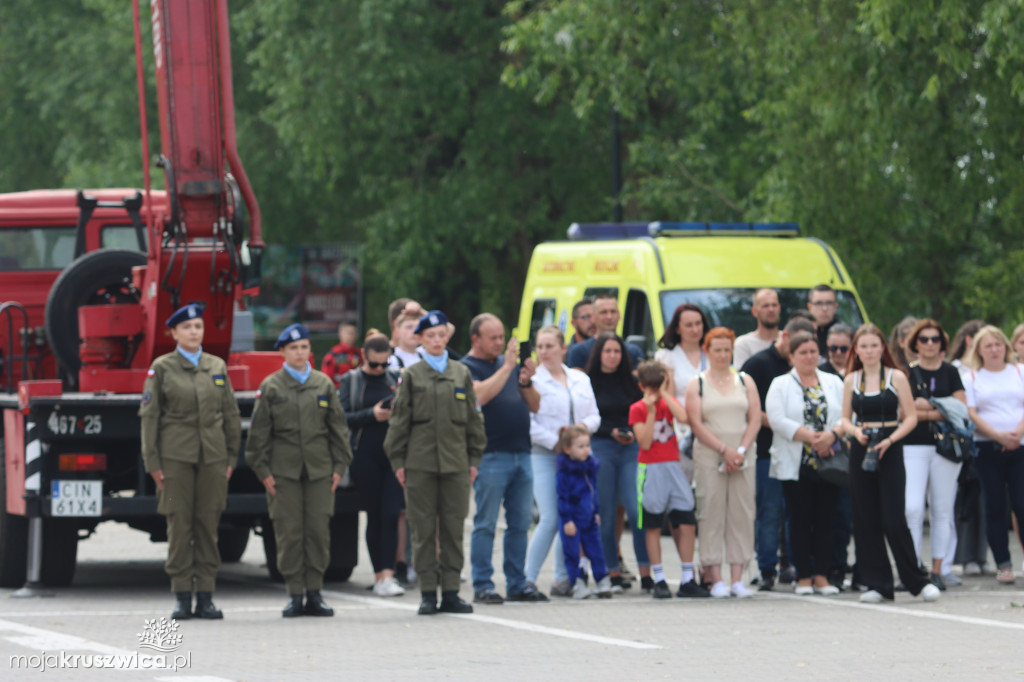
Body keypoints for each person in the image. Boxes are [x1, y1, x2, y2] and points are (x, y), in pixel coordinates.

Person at [140, 303, 241, 620]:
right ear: (173, 332)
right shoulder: (162, 368)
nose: (194, 332)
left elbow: (230, 415)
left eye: (198, 326)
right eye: (187, 327)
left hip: (212, 459)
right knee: (178, 524)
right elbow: (150, 417)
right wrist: (153, 463)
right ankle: (183, 595)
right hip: (173, 463)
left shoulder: (216, 366)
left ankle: (206, 596)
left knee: (208, 524)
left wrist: (230, 457)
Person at [384, 310, 487, 615]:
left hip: (456, 464)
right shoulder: (412, 375)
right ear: (420, 340)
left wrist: (474, 459)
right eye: (431, 336)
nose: (438, 340)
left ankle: (452, 591)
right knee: (424, 529)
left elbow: (473, 420)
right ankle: (429, 592)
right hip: (420, 465)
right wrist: (399, 462)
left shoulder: (461, 373)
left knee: (454, 529)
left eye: (442, 335)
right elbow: (399, 422)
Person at [246, 323, 352, 617]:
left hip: (319, 471)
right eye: (293, 348)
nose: (299, 352)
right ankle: (295, 593)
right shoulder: (272, 386)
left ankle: (315, 593)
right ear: (282, 351)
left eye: (304, 347)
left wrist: (339, 467)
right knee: (290, 533)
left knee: (318, 532)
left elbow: (338, 430)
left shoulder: (323, 384)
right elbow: (258, 436)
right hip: (284, 473)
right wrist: (263, 470)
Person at [840, 323, 939, 603]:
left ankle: (917, 581)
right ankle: (879, 584)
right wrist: (856, 432)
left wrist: (891, 440)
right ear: (856, 351)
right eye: (864, 346)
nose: (869, 351)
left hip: (890, 447)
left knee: (894, 517)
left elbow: (911, 416)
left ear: (883, 347)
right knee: (865, 517)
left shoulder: (897, 377)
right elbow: (845, 419)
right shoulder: (852, 380)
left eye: (874, 345)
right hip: (862, 448)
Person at [461, 314, 547, 604]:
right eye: (493, 338)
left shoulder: (506, 366)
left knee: (520, 523)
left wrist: (525, 381)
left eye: (502, 337)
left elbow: (535, 406)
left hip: (522, 452)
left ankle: (517, 582)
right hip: (490, 454)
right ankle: (483, 583)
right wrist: (508, 366)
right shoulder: (465, 367)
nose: (499, 343)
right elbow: (479, 397)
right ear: (476, 339)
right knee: (485, 522)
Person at [765, 331, 845, 596]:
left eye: (813, 352)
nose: (810, 357)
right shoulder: (780, 384)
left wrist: (830, 437)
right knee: (799, 519)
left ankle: (822, 575)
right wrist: (812, 438)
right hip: (796, 460)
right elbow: (776, 419)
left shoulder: (833, 382)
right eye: (803, 352)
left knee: (826, 519)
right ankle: (804, 575)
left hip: (829, 458)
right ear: (792, 356)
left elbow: (846, 415)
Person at [526, 325, 601, 596]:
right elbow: (530, 423)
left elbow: (595, 416)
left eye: (549, 346)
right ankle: (528, 578)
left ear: (563, 348)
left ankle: (563, 578)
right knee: (552, 516)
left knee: (575, 517)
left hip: (577, 459)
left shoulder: (579, 380)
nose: (544, 352)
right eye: (540, 346)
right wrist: (557, 442)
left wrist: (579, 431)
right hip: (546, 455)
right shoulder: (532, 381)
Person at [686, 327, 761, 599]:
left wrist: (739, 450)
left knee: (742, 513)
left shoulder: (744, 380)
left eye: (726, 349)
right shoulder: (698, 383)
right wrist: (723, 450)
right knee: (711, 513)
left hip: (743, 455)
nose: (722, 355)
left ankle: (739, 577)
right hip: (710, 455)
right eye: (716, 349)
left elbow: (754, 418)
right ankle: (714, 576)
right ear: (707, 351)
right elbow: (695, 421)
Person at [741, 316, 815, 590]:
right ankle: (766, 568)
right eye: (798, 347)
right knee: (770, 511)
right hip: (766, 450)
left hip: (800, 451)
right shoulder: (758, 364)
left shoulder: (810, 369)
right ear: (785, 337)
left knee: (795, 512)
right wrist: (785, 424)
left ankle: (795, 565)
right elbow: (750, 407)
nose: (805, 354)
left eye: (809, 348)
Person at [630, 360, 710, 599]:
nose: (655, 391)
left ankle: (687, 578)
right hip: (650, 469)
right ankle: (660, 578)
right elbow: (644, 442)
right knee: (653, 524)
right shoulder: (638, 408)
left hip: (673, 467)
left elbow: (684, 417)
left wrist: (665, 393)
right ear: (642, 385)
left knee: (686, 518)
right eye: (651, 386)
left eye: (659, 385)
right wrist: (652, 410)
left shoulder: (668, 402)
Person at [339, 333, 405, 597]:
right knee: (374, 516)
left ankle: (388, 576)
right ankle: (378, 574)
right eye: (374, 364)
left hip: (392, 455)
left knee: (391, 514)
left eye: (384, 364)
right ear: (364, 357)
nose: (379, 369)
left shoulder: (394, 379)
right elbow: (342, 417)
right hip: (363, 455)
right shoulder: (351, 380)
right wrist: (372, 415)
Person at [901, 320, 965, 590]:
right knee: (912, 508)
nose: (929, 344)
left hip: (946, 449)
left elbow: (961, 409)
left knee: (942, 509)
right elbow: (903, 412)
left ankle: (938, 569)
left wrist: (925, 409)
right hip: (913, 445)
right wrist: (940, 409)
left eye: (935, 339)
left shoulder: (951, 372)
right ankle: (914, 568)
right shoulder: (905, 373)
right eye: (924, 339)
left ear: (942, 343)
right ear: (915, 343)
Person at [584, 332, 650, 592]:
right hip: (602, 444)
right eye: (607, 351)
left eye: (617, 352)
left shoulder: (632, 382)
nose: (612, 356)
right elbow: (588, 417)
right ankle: (611, 571)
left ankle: (647, 571)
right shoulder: (588, 382)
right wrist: (610, 431)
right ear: (599, 354)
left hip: (630, 446)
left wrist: (632, 430)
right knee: (607, 513)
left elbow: (641, 410)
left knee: (636, 509)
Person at [962, 325, 1024, 585]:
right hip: (987, 447)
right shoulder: (972, 377)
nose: (994, 350)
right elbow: (971, 413)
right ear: (979, 350)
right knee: (995, 504)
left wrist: (1016, 434)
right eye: (988, 346)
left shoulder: (1019, 371)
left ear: (1006, 347)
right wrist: (997, 436)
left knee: (1021, 504)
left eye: (998, 344)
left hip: (1019, 445)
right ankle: (1003, 563)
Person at [654, 302, 712, 482]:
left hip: (712, 423)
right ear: (677, 329)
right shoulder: (667, 356)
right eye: (689, 325)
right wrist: (685, 418)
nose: (695, 329)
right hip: (681, 429)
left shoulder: (713, 352)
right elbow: (667, 395)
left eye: (698, 323)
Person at [555, 424, 613, 599]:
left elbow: (594, 492)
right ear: (567, 449)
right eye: (580, 447)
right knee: (572, 552)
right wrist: (566, 520)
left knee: (595, 550)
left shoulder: (590, 468)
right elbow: (562, 497)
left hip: (589, 518)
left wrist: (596, 512)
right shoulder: (564, 472)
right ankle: (577, 583)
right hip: (572, 519)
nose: (585, 450)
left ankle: (602, 580)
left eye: (587, 446)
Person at [949, 319, 988, 576]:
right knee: (962, 501)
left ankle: (981, 556)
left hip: (986, 442)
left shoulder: (990, 369)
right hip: (961, 441)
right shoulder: (955, 369)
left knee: (983, 501)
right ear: (968, 339)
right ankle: (962, 556)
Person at [567, 293, 643, 370]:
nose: (609, 317)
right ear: (593, 317)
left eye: (613, 312)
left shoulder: (633, 352)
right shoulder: (579, 352)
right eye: (603, 312)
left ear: (619, 315)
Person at [733, 288, 781, 367]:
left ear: (779, 308)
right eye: (765, 306)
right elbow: (742, 377)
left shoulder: (789, 341)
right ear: (754, 311)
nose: (771, 309)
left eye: (774, 305)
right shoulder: (743, 344)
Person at [321, 321, 362, 388]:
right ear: (340, 334)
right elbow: (326, 380)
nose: (351, 335)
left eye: (353, 333)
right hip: (338, 392)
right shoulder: (333, 355)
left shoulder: (359, 354)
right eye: (349, 333)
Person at [808, 284, 839, 357]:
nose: (824, 308)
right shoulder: (801, 333)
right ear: (809, 307)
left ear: (835, 306)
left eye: (829, 303)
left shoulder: (846, 335)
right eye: (819, 303)